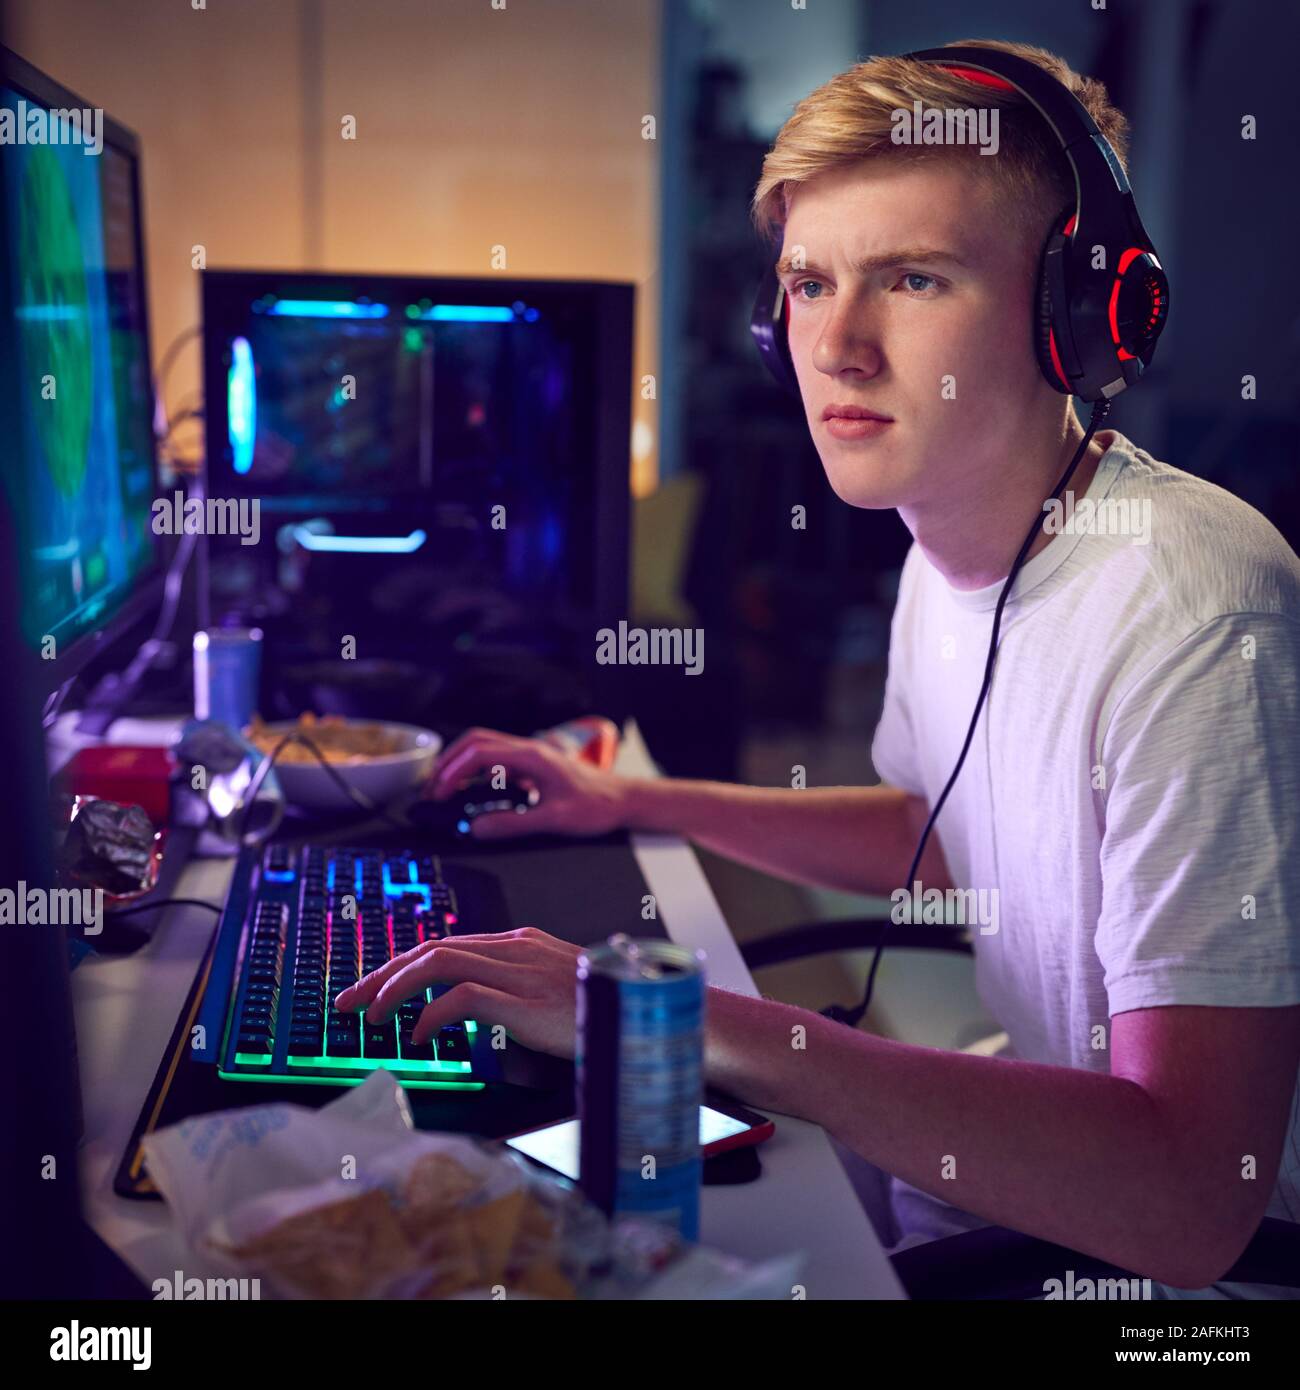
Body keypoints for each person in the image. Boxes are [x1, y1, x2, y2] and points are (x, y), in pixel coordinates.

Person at [337, 39, 1300, 1298]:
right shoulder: (947, 544)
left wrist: (668, 1017)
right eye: (805, 283)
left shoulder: (1196, 610)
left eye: (911, 276)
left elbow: (1187, 1201)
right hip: (1007, 1195)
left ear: (1080, 310)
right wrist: (632, 799)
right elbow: (941, 833)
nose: (836, 345)